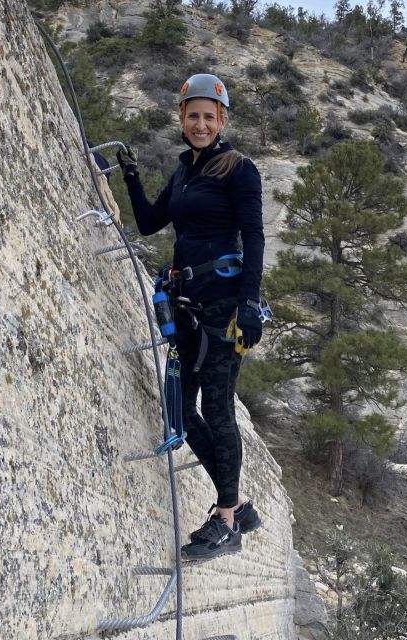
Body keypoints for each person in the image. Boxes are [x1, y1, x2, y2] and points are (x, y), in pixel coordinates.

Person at [116, 73, 265, 561]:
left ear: (222, 120)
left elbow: (255, 237)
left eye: (209, 116)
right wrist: (131, 175)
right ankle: (239, 502)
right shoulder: (184, 173)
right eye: (192, 115)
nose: (200, 124)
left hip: (223, 309)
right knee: (179, 408)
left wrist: (248, 304)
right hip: (185, 305)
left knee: (218, 409)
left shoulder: (238, 169)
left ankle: (225, 521)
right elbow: (150, 222)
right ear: (181, 119)